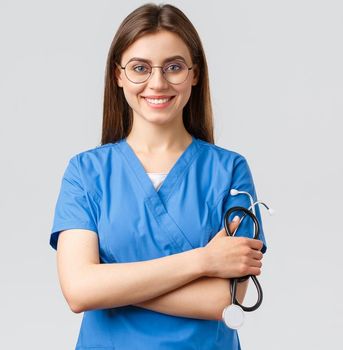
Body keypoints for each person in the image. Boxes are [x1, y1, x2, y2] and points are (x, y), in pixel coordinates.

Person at [49, 3, 268, 349]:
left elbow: (224, 299)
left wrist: (109, 285)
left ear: (195, 73)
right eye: (140, 68)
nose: (157, 83)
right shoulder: (86, 172)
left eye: (174, 67)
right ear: (118, 75)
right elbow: (78, 291)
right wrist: (204, 260)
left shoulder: (229, 171)